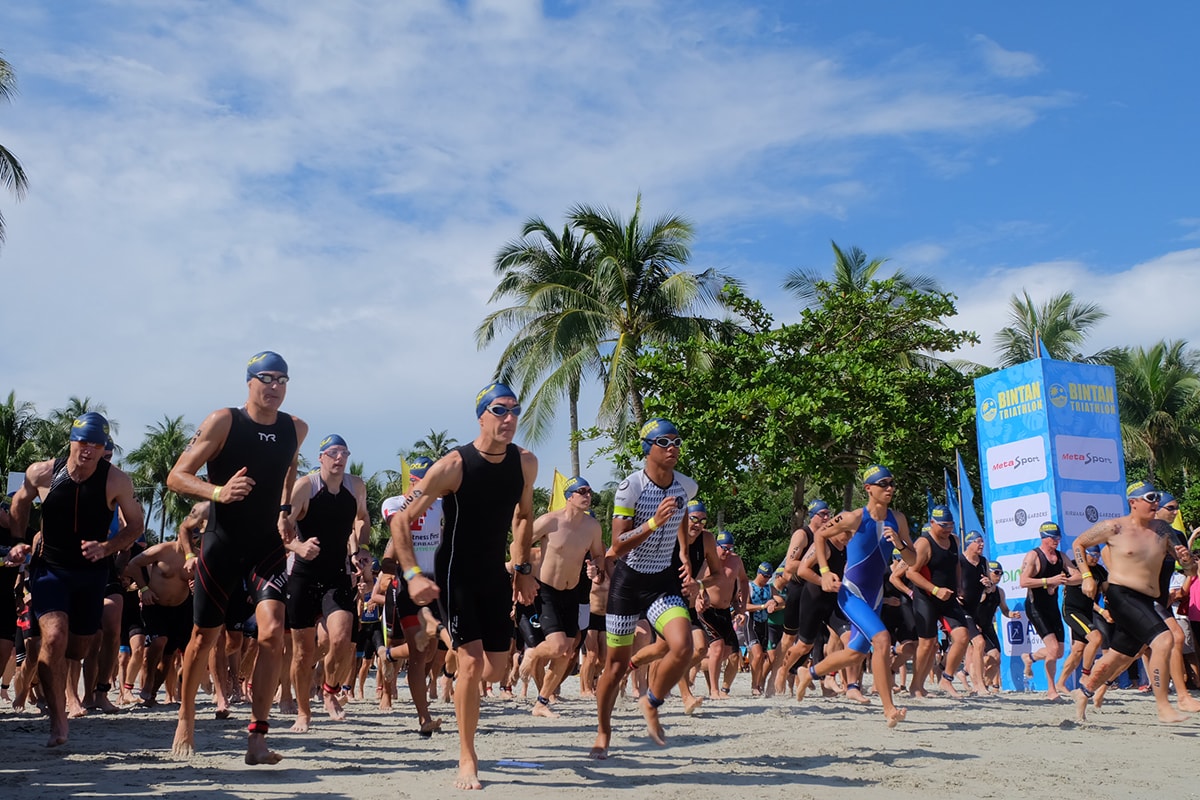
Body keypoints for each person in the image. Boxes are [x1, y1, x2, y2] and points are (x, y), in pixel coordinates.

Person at [388, 382, 537, 791]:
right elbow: (400, 520)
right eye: (500, 410)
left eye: (514, 410)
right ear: (482, 415)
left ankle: (452, 657)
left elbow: (523, 516)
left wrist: (522, 567)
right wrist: (414, 575)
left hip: (494, 573)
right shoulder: (453, 465)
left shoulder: (525, 463)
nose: (509, 418)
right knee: (473, 666)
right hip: (456, 574)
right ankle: (467, 756)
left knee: (496, 668)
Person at [166, 351, 307, 764]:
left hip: (265, 546)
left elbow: (290, 468)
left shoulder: (295, 428)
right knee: (202, 637)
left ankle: (257, 737)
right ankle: (186, 715)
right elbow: (176, 475)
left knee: (271, 634)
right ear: (249, 381)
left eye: (282, 379)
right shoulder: (224, 421)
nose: (275, 386)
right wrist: (218, 493)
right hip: (222, 543)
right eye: (266, 378)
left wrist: (284, 511)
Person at [8, 411, 146, 747]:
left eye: (96, 444)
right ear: (71, 440)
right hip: (50, 568)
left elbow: (136, 526)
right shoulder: (42, 472)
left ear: (104, 448)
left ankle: (61, 689)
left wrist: (108, 546)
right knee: (53, 638)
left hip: (91, 572)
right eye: (82, 441)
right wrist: (19, 540)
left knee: (81, 646)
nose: (88, 449)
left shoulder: (116, 481)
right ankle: (58, 721)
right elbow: (20, 501)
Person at [592, 418, 698, 759]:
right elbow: (617, 546)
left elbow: (680, 512)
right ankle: (603, 732)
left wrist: (683, 550)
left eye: (677, 441)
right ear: (647, 448)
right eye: (664, 442)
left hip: (661, 580)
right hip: (629, 581)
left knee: (683, 646)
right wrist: (653, 523)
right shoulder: (631, 488)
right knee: (615, 667)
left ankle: (651, 701)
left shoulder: (686, 486)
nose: (673, 448)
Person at [796, 465, 916, 727]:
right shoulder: (853, 518)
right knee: (882, 639)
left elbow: (912, 558)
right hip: (852, 593)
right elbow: (819, 534)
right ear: (868, 489)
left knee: (854, 654)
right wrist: (825, 571)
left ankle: (810, 672)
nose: (889, 488)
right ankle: (889, 709)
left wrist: (899, 543)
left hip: (875, 595)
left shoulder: (899, 519)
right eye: (883, 484)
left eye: (891, 483)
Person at [1073, 481, 1197, 723]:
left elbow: (1189, 570)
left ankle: (1084, 692)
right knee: (1165, 639)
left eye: (1157, 498)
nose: (1155, 503)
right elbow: (1079, 543)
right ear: (1134, 502)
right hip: (1121, 594)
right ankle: (1164, 706)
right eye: (1150, 498)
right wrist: (1087, 576)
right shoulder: (1114, 527)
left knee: (1118, 657)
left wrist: (1187, 561)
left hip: (1148, 599)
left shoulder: (1162, 529)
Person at [285, 433, 371, 732]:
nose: (339, 458)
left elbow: (362, 518)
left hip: (337, 572)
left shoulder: (355, 486)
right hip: (304, 575)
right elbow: (281, 525)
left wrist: (359, 547)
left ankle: (330, 691)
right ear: (320, 457)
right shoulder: (306, 487)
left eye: (343, 453)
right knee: (302, 652)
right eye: (332, 453)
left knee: (341, 638)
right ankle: (304, 713)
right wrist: (297, 547)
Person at [520, 475, 606, 717]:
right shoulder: (550, 521)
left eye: (589, 491)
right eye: (582, 491)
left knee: (568, 652)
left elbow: (599, 556)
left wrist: (595, 567)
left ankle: (541, 703)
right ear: (570, 497)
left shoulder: (592, 527)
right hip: (547, 590)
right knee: (558, 647)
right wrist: (523, 574)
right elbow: (520, 544)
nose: (588, 496)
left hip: (572, 594)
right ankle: (532, 653)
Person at [380, 455, 448, 735]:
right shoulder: (394, 503)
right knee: (421, 655)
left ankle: (390, 655)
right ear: (415, 480)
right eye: (427, 479)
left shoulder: (443, 505)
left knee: (431, 650)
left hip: (439, 582)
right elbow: (398, 534)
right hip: (411, 581)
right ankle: (424, 718)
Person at [123, 506, 202, 705]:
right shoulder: (162, 551)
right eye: (191, 533)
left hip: (180, 608)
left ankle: (152, 694)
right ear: (180, 532)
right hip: (155, 606)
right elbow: (132, 565)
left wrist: (197, 585)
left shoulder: (198, 557)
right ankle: (146, 685)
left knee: (169, 656)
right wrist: (144, 588)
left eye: (197, 535)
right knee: (158, 642)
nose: (193, 538)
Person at [906, 505, 976, 698]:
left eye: (951, 525)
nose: (947, 529)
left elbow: (956, 566)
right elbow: (910, 572)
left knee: (963, 637)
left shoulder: (954, 540)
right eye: (943, 525)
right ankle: (916, 686)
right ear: (932, 523)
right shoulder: (924, 543)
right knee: (927, 644)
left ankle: (947, 678)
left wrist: (959, 585)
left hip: (948, 596)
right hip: (926, 597)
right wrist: (935, 590)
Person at [1018, 521, 1079, 701]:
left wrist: (1064, 581)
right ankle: (1052, 690)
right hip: (1035, 606)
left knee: (1059, 652)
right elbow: (1023, 581)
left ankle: (1029, 658)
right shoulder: (1034, 556)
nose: (1057, 542)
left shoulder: (1060, 557)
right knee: (1052, 649)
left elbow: (1076, 575)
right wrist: (1048, 581)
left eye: (1058, 538)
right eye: (1053, 538)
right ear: (1044, 538)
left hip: (1052, 606)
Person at [697, 531, 750, 699]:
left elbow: (744, 581)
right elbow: (695, 582)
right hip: (708, 611)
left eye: (730, 548)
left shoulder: (735, 561)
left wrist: (742, 608)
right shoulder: (706, 562)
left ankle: (725, 689)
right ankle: (713, 690)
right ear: (715, 547)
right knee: (717, 649)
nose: (727, 552)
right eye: (724, 548)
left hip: (726, 611)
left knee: (733, 655)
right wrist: (699, 598)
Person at [1054, 545, 1109, 695]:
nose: (1095, 558)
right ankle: (1085, 675)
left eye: (1098, 556)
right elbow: (1057, 579)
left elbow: (1107, 592)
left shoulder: (1100, 571)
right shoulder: (1073, 566)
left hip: (1087, 612)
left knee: (1078, 650)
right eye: (1092, 555)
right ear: (1084, 555)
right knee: (1096, 638)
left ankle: (1060, 683)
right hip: (1072, 611)